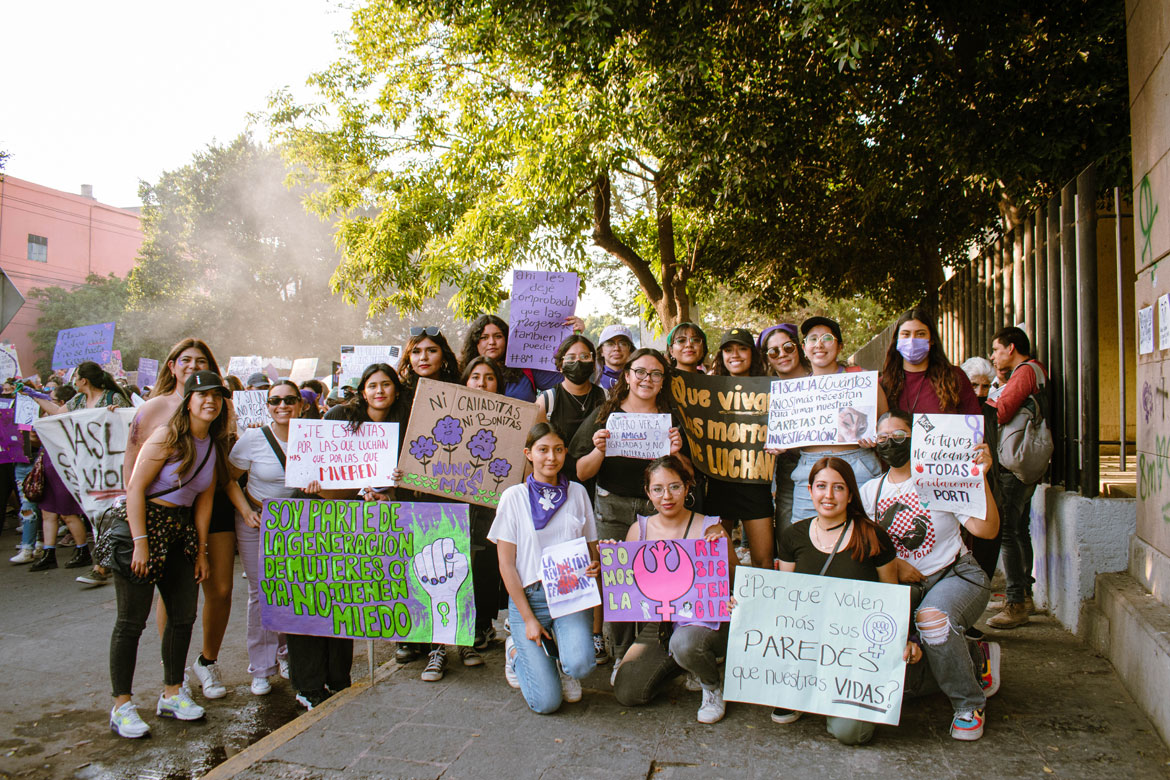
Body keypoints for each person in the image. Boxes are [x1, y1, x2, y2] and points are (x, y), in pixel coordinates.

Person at [100, 371, 231, 738]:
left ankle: (172, 693)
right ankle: (121, 705)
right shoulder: (168, 436)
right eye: (202, 395)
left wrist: (201, 551)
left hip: (180, 532)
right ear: (188, 400)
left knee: (183, 617)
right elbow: (135, 488)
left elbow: (203, 499)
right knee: (131, 622)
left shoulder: (213, 444)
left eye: (217, 396)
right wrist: (141, 542)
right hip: (143, 528)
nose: (210, 401)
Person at [859, 411, 1001, 741]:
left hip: (953, 576)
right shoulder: (869, 492)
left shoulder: (940, 479)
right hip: (901, 588)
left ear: (916, 439)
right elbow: (864, 549)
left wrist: (981, 479)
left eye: (900, 435)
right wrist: (892, 566)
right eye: (883, 438)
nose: (891, 443)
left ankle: (968, 703)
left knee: (932, 620)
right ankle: (972, 656)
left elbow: (988, 529)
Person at [288, 362, 410, 708]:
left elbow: (397, 483)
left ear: (396, 391)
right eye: (373, 385)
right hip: (317, 514)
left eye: (386, 385)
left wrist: (386, 492)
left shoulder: (403, 428)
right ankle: (308, 684)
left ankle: (338, 678)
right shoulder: (340, 416)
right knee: (310, 597)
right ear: (362, 391)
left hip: (357, 523)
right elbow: (314, 461)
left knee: (344, 598)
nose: (379, 391)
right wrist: (311, 480)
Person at [122, 339, 236, 700]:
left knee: (219, 588)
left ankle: (208, 661)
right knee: (170, 596)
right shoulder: (154, 409)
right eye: (185, 359)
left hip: (209, 501)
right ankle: (174, 674)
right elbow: (134, 470)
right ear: (171, 365)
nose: (192, 364)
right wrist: (135, 525)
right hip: (161, 511)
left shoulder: (218, 404)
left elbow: (225, 462)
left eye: (201, 360)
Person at [774, 456, 912, 745]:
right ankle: (808, 692)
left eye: (838, 488)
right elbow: (786, 598)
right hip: (810, 646)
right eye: (821, 486)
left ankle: (924, 678)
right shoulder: (792, 536)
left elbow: (891, 594)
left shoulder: (872, 536)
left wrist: (907, 638)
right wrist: (747, 608)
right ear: (809, 490)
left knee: (851, 733)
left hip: (857, 652)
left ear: (850, 494)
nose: (828, 495)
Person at [571, 348, 685, 673]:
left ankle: (660, 651)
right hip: (612, 508)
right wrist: (598, 450)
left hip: (657, 511)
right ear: (627, 375)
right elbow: (581, 472)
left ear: (663, 381)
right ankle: (621, 655)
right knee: (616, 581)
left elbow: (688, 475)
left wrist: (677, 453)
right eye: (640, 372)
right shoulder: (605, 415)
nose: (647, 379)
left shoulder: (672, 420)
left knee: (658, 579)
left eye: (655, 374)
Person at [611, 456, 733, 724]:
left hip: (703, 621)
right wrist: (614, 566)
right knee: (628, 692)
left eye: (675, 487)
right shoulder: (638, 530)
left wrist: (721, 550)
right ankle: (684, 663)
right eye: (658, 489)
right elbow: (628, 593)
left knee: (685, 643)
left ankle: (711, 684)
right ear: (648, 492)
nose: (667, 496)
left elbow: (732, 587)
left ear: (688, 487)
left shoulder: (709, 527)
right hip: (661, 623)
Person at [489, 422, 600, 714]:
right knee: (546, 703)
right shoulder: (513, 497)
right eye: (543, 450)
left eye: (559, 450)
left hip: (570, 597)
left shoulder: (577, 493)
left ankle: (564, 665)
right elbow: (506, 564)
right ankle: (515, 651)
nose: (551, 457)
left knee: (582, 664)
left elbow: (591, 549)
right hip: (531, 598)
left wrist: (593, 567)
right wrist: (527, 618)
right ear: (529, 454)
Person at [225, 380, 301, 696]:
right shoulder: (253, 439)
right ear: (267, 406)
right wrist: (245, 512)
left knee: (290, 588)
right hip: (257, 521)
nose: (282, 406)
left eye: (289, 400)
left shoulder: (315, 436)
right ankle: (261, 666)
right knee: (261, 592)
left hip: (297, 525)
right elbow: (230, 480)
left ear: (302, 404)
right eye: (275, 401)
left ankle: (285, 654)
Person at [22, 362, 132, 575]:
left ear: (84, 380)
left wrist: (117, 413)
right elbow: (56, 413)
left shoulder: (112, 398)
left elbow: (132, 423)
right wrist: (34, 395)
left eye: (76, 377)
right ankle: (103, 563)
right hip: (90, 468)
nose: (74, 381)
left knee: (112, 512)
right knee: (95, 512)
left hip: (113, 468)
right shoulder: (78, 400)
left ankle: (108, 563)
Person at [785, 317, 887, 529]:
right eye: (812, 339)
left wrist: (877, 438)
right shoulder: (794, 392)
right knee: (806, 538)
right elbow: (787, 435)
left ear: (840, 346)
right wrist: (780, 443)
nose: (819, 344)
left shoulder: (864, 381)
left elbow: (887, 427)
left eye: (827, 338)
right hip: (809, 471)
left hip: (859, 467)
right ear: (804, 348)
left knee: (864, 537)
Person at [986, 326, 1049, 629]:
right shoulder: (1033, 371)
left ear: (1011, 348)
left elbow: (1002, 410)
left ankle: (1016, 604)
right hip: (1025, 463)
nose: (995, 356)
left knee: (1007, 530)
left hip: (1013, 464)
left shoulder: (1025, 370)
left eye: (997, 350)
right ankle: (1024, 593)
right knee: (1020, 528)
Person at [707, 328, 774, 568]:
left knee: (763, 560)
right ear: (721, 356)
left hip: (755, 481)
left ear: (753, 354)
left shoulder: (771, 388)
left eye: (742, 348)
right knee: (717, 558)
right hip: (719, 481)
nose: (735, 354)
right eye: (728, 349)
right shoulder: (708, 390)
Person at [459, 356, 510, 665]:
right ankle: (455, 635)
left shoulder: (513, 419)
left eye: (489, 377)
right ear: (466, 382)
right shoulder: (447, 415)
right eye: (475, 377)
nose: (481, 383)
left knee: (486, 569)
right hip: (456, 505)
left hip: (493, 506)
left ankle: (481, 627)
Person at [758, 323, 811, 554]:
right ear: (767, 358)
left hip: (825, 461)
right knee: (789, 534)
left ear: (798, 348)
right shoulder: (762, 392)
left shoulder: (822, 379)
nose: (782, 354)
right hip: (788, 470)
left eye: (787, 347)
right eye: (773, 351)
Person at [879, 308, 982, 416]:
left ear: (932, 339)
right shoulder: (883, 385)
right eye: (906, 334)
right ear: (897, 340)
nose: (912, 340)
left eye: (920, 334)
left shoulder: (954, 377)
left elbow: (974, 424)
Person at [459, 315, 580, 402]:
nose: (492, 342)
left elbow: (569, 383)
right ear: (475, 342)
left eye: (498, 336)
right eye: (484, 337)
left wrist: (574, 340)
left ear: (507, 340)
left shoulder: (525, 368)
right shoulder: (461, 370)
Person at [961, 356, 1003, 579]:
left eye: (986, 386)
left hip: (988, 488)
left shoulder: (992, 414)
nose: (980, 391)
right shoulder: (953, 413)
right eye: (974, 385)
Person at [399, 326, 461, 393]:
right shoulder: (398, 392)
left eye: (432, 351)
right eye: (416, 352)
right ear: (408, 357)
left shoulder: (461, 388)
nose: (423, 357)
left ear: (444, 355)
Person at [595, 325, 636, 391]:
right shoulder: (590, 382)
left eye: (623, 344)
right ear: (601, 351)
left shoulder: (639, 381)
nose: (617, 348)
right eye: (610, 344)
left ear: (630, 351)